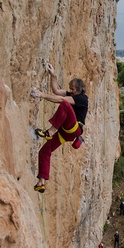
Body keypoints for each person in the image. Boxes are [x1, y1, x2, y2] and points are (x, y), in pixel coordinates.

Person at [31, 63, 88, 193]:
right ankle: (41, 182)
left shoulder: (82, 98)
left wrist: (41, 95)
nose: (71, 90)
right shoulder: (73, 95)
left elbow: (61, 99)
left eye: (72, 89)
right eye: (70, 88)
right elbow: (57, 91)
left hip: (74, 129)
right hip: (66, 133)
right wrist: (53, 75)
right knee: (45, 151)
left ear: (79, 89)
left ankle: (50, 132)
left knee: (64, 104)